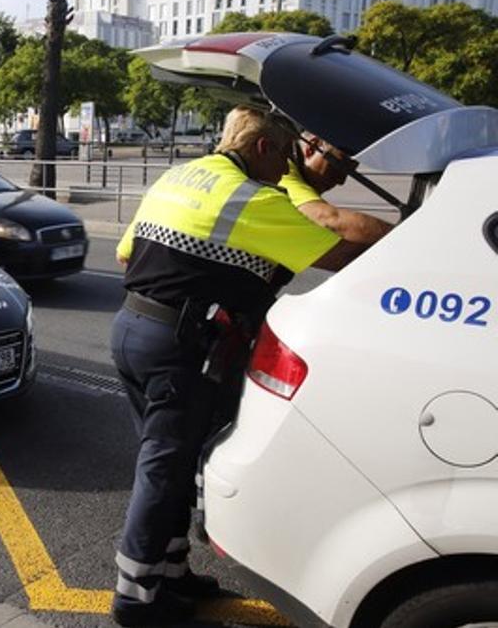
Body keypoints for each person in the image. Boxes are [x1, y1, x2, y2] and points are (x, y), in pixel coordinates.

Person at [109, 106, 372, 626]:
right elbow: (338, 250)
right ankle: (135, 597)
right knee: (163, 471)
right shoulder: (252, 198)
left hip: (132, 331)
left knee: (174, 464)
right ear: (262, 149)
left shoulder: (177, 176)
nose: (286, 171)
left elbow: (123, 255)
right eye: (284, 158)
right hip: (179, 347)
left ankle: (170, 571)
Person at [282, 132, 394, 245]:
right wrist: (400, 236)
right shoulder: (282, 173)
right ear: (311, 147)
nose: (341, 181)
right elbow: (329, 220)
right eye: (339, 166)